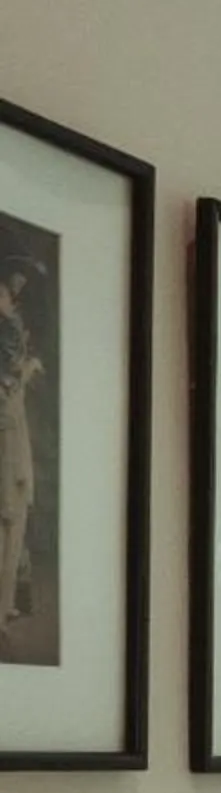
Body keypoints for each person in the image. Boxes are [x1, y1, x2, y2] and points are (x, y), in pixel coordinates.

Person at [0, 257, 44, 635]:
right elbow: (9, 385)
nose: (15, 292)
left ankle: (9, 600)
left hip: (13, 426)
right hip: (7, 433)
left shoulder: (13, 322)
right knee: (9, 515)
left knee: (15, 519)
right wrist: (24, 372)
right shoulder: (7, 328)